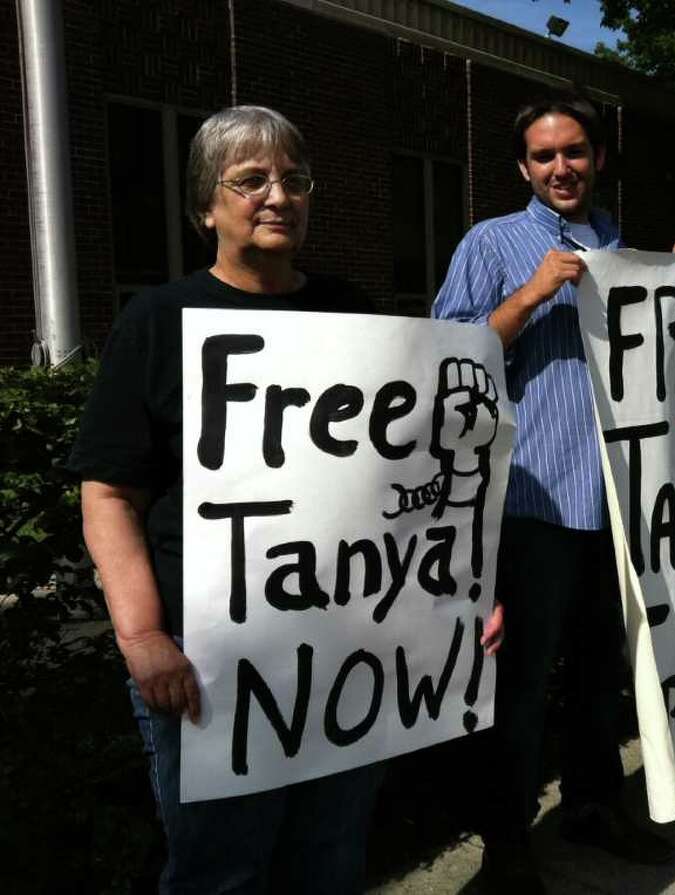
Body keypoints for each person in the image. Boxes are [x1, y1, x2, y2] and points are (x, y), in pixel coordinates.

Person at [69, 106, 504, 893]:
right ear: (207, 205)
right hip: (210, 666)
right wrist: (141, 636)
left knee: (329, 862)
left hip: (346, 661)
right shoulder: (157, 323)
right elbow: (107, 492)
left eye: (294, 180)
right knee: (218, 873)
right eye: (251, 180)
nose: (277, 196)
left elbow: (402, 485)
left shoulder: (352, 313)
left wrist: (461, 596)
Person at [433, 94, 675, 894]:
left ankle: (594, 805)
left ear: (597, 158)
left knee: (602, 669)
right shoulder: (492, 242)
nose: (562, 167)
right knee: (521, 682)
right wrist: (528, 297)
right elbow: (449, 358)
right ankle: (506, 845)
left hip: (617, 502)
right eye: (545, 155)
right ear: (523, 166)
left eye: (576, 151)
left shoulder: (621, 241)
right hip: (535, 502)